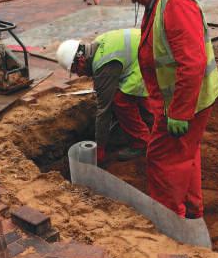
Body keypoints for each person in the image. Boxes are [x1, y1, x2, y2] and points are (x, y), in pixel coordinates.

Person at [111, 0, 218, 219]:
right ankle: (193, 213)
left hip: (185, 102)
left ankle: (170, 223)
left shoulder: (174, 3)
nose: (133, 0)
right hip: (183, 99)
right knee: (185, 153)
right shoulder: (162, 0)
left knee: (163, 160)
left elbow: (192, 62)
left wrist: (180, 113)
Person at [56, 29, 161, 164]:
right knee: (130, 93)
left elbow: (103, 111)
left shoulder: (104, 65)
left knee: (121, 101)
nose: (80, 75)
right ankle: (154, 125)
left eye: (76, 71)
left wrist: (100, 147)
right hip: (149, 49)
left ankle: (140, 143)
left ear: (81, 60)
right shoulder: (99, 43)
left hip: (149, 59)